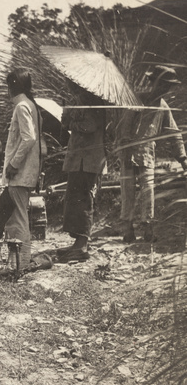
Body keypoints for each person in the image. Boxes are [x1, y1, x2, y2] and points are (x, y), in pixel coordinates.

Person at [118, 65, 187, 243]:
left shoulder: (163, 106)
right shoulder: (138, 100)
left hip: (147, 155)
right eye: (162, 84)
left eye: (167, 86)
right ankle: (128, 230)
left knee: (148, 192)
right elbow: (125, 127)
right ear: (154, 83)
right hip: (129, 153)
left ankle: (148, 229)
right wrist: (125, 148)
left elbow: (174, 133)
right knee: (128, 192)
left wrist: (183, 158)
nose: (164, 89)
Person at [57, 83, 107, 262]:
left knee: (84, 200)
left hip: (89, 160)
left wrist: (71, 121)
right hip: (80, 159)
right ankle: (78, 243)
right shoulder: (81, 101)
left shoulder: (93, 102)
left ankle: (82, 245)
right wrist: (67, 115)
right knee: (74, 200)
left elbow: (90, 126)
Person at [2, 68, 42, 270]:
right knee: (18, 216)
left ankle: (21, 263)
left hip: (19, 173)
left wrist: (13, 164)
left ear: (12, 87)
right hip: (25, 172)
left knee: (17, 218)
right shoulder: (31, 105)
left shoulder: (21, 107)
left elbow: (29, 138)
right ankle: (19, 261)